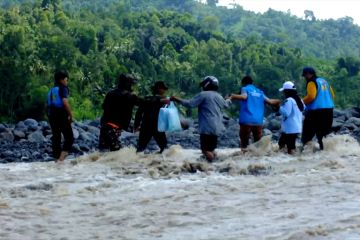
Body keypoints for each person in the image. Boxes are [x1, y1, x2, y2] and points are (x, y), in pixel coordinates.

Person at [171, 76, 231, 162]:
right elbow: (226, 104)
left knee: (205, 150)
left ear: (207, 84)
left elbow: (190, 104)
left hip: (206, 127)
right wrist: (229, 99)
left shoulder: (203, 95)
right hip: (217, 127)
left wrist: (176, 99)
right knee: (211, 149)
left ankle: (213, 166)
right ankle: (214, 166)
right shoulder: (219, 96)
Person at [228, 76, 280, 150]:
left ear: (243, 83)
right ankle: (257, 159)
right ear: (252, 83)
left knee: (244, 145)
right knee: (257, 145)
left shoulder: (244, 88)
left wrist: (232, 96)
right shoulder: (260, 92)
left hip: (246, 120)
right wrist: (278, 102)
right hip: (258, 121)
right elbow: (270, 102)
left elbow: (244, 97)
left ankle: (245, 159)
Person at [99, 73, 142, 151]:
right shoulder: (130, 96)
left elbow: (103, 107)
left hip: (105, 127)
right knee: (115, 153)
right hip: (115, 129)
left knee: (103, 151)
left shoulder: (110, 93)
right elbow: (144, 103)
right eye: (131, 84)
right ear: (127, 84)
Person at [301, 67, 335, 150]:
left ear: (309, 74)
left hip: (316, 112)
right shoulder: (324, 81)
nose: (305, 77)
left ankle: (305, 154)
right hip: (329, 110)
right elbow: (333, 95)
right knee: (323, 135)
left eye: (305, 75)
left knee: (307, 134)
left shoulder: (311, 82)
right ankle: (325, 153)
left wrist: (301, 101)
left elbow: (311, 96)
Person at [134, 81, 170, 153]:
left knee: (140, 148)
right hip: (157, 127)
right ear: (159, 89)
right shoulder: (164, 99)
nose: (165, 90)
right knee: (165, 149)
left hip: (146, 126)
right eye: (163, 88)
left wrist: (136, 125)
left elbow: (139, 113)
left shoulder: (146, 99)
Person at [47, 70, 74, 162]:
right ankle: (61, 160)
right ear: (61, 80)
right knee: (70, 138)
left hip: (51, 116)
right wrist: (71, 115)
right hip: (61, 115)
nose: (67, 81)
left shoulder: (51, 90)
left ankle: (56, 161)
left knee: (56, 138)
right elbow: (65, 102)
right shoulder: (63, 88)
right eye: (66, 79)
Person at [278, 81, 305, 154]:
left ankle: (290, 160)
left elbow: (286, 113)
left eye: (284, 91)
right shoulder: (300, 100)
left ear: (287, 91)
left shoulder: (289, 100)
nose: (283, 93)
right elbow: (303, 109)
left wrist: (278, 108)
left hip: (290, 129)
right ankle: (288, 158)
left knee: (290, 147)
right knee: (282, 143)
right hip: (297, 127)